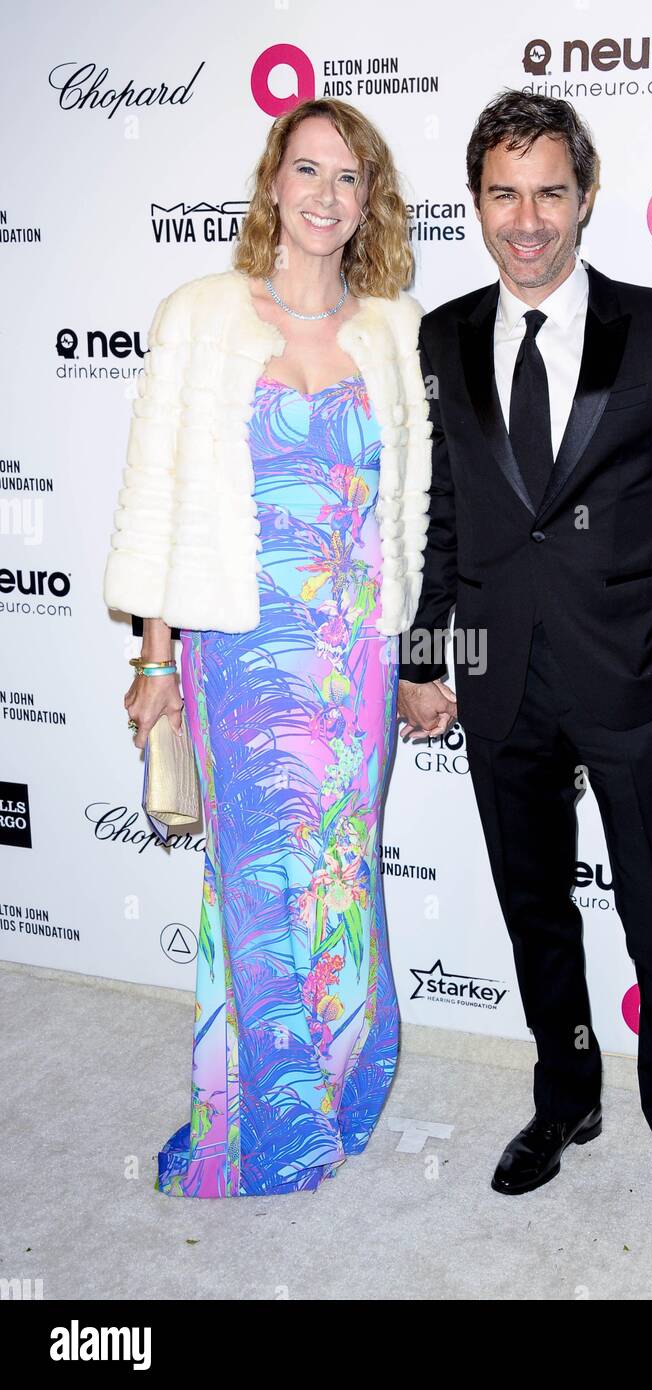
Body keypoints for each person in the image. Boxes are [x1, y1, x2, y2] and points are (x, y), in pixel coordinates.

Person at [396, 90, 652, 1249]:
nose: (528, 218)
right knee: (535, 915)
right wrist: (425, 654)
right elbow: (437, 511)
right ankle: (566, 1099)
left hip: (633, 677)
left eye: (550, 190)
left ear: (585, 195)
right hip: (499, 681)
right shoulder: (440, 335)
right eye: (504, 193)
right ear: (477, 204)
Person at [103, 98, 436, 1197]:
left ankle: (337, 1080)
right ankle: (262, 1112)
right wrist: (157, 657)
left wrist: (407, 646)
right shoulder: (201, 315)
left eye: (349, 178)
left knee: (339, 879)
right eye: (308, 171)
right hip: (240, 653)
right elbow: (157, 495)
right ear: (272, 183)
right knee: (254, 883)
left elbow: (412, 514)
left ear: (368, 198)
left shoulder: (391, 327)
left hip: (352, 660)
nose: (326, 196)